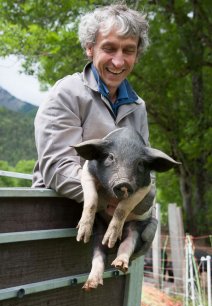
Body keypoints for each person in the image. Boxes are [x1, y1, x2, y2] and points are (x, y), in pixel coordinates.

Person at [32, 4, 157, 255]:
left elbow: (145, 168)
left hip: (110, 225)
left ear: (136, 54)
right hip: (57, 220)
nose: (118, 60)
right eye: (109, 48)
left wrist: (141, 207)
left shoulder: (137, 106)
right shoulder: (68, 93)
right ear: (90, 48)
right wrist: (121, 203)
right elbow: (57, 168)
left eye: (128, 50)